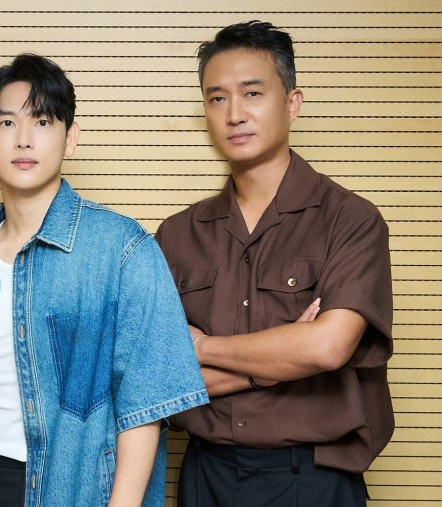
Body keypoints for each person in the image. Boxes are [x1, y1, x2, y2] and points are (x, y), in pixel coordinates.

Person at [0, 53, 208, 507]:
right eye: (7, 123)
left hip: (80, 489)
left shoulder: (122, 249)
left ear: (70, 137)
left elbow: (144, 404)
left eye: (43, 122)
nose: (24, 139)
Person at [155, 21, 394, 507]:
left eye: (252, 93)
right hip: (205, 475)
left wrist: (203, 347)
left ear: (292, 103)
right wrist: (270, 366)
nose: (234, 114)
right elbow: (160, 378)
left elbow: (326, 348)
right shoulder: (177, 235)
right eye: (217, 98)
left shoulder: (351, 220)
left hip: (314, 478)